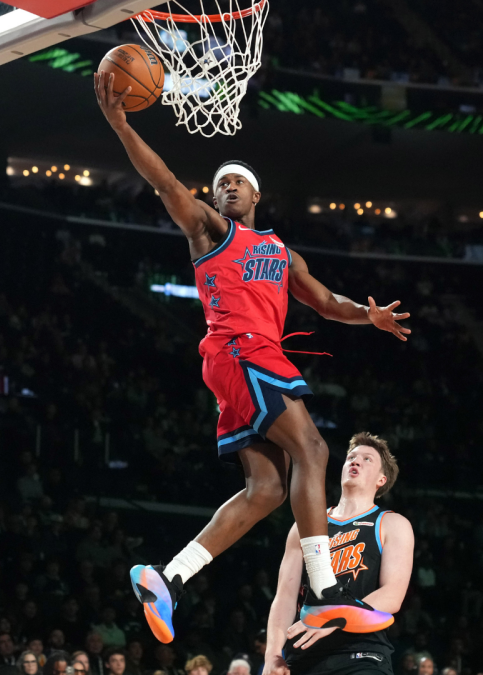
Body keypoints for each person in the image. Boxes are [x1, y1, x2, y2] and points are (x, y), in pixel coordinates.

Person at [95, 71, 411, 647]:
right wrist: (120, 124)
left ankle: (169, 577)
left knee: (267, 490)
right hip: (240, 351)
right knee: (314, 449)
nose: (230, 188)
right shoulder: (208, 230)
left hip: (247, 362)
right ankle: (326, 590)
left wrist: (370, 316)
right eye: (222, 184)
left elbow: (327, 303)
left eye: (239, 181)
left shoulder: (280, 251)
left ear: (256, 195)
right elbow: (164, 181)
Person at [265, 433, 415, 675]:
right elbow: (285, 596)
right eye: (351, 457)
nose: (356, 461)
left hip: (362, 653)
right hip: (304, 654)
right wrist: (273, 654)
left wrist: (334, 618)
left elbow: (392, 596)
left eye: (367, 459)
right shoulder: (306, 524)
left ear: (381, 479)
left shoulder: (392, 524)